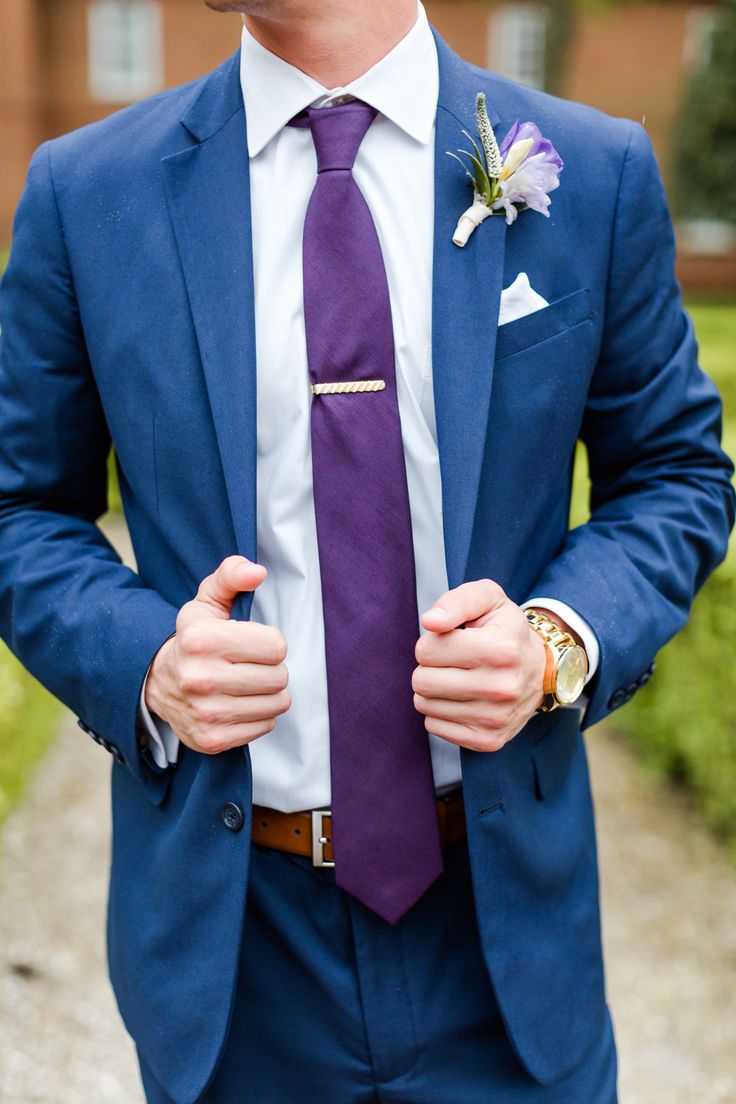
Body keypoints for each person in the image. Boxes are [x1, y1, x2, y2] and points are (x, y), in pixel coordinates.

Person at [0, 1, 733, 1101]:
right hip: (233, 951)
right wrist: (144, 659)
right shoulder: (86, 193)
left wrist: (554, 643)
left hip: (505, 940)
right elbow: (20, 509)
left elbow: (676, 473)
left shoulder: (590, 170)